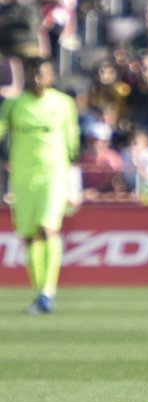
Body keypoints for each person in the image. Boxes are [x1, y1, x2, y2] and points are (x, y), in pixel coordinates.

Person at [0, 58, 81, 315]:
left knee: (47, 229)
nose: (37, 79)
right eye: (33, 75)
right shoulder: (13, 105)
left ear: (51, 77)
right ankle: (41, 295)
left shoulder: (64, 104)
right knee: (28, 236)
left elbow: (72, 145)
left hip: (53, 174)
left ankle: (48, 290)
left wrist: (74, 185)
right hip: (23, 177)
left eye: (42, 74)